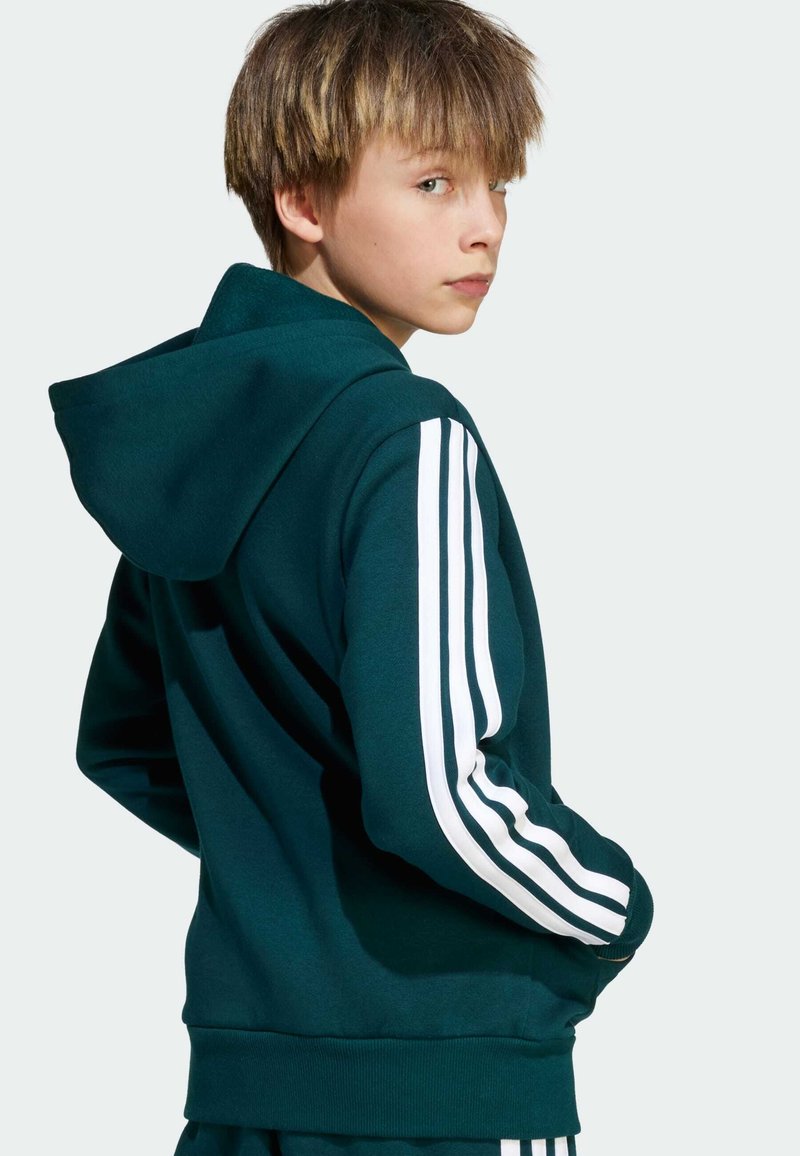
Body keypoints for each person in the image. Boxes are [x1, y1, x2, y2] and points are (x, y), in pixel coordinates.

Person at [47, 2, 654, 1154]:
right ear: (303, 201)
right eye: (433, 183)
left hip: (247, 1084)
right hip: (440, 1081)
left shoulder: (201, 437)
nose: (484, 226)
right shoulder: (403, 436)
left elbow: (123, 741)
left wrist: (288, 881)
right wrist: (611, 907)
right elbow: (441, 792)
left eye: (497, 184)